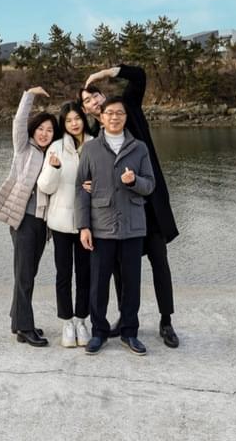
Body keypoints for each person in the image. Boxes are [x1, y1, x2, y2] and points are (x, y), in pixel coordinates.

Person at [82, 64, 180, 347]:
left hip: (150, 206)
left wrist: (100, 74)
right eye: (87, 100)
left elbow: (139, 76)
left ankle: (166, 321)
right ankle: (125, 320)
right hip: (117, 214)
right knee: (119, 269)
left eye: (95, 95)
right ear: (86, 110)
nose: (94, 101)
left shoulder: (128, 111)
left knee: (159, 262)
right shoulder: (93, 137)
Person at [75, 95, 155, 355]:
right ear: (101, 117)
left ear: (126, 117)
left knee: (131, 283)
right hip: (101, 226)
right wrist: (83, 227)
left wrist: (134, 181)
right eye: (109, 113)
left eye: (119, 113)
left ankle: (129, 332)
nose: (114, 117)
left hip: (133, 226)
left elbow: (150, 185)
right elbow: (81, 189)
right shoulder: (90, 149)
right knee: (98, 284)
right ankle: (99, 332)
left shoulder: (139, 148)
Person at [0, 86, 56, 346]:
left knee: (28, 273)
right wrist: (29, 94)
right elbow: (18, 122)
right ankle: (25, 328)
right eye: (41, 129)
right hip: (23, 221)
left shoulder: (51, 156)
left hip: (42, 223)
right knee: (24, 275)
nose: (44, 133)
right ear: (34, 130)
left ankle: (19, 320)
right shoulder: (24, 149)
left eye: (50, 130)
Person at [35, 100, 92, 347]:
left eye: (77, 118)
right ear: (64, 124)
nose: (74, 123)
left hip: (88, 223)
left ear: (83, 119)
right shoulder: (56, 147)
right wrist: (54, 168)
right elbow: (45, 187)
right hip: (60, 222)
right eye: (68, 120)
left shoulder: (95, 144)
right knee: (64, 274)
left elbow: (106, 180)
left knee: (85, 273)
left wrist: (96, 186)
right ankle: (67, 322)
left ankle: (81, 320)